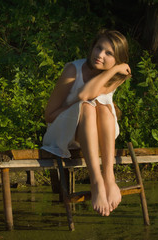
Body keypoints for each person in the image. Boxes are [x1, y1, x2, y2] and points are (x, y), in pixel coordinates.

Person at [41, 29, 131, 217]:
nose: (99, 55)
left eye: (109, 53)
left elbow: (92, 95)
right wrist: (114, 68)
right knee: (88, 106)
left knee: (104, 109)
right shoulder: (73, 70)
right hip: (63, 132)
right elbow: (50, 114)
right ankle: (96, 182)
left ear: (118, 59)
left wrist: (113, 72)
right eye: (98, 48)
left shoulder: (117, 77)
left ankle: (109, 177)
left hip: (96, 134)